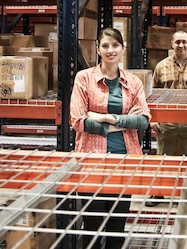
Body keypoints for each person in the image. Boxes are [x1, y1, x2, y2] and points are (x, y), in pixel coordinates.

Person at [70, 27, 151, 249]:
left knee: (117, 227)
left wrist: (107, 118)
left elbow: (144, 120)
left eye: (115, 45)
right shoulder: (84, 78)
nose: (110, 50)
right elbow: (78, 120)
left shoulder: (133, 82)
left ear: (123, 49)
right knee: (93, 226)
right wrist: (125, 121)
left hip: (124, 162)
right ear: (97, 50)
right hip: (92, 163)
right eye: (105, 45)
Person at [146, 30, 187, 210]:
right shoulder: (161, 67)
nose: (181, 45)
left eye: (184, 42)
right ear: (172, 45)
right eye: (177, 42)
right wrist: (153, 119)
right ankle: (158, 193)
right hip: (166, 123)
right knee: (162, 159)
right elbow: (151, 95)